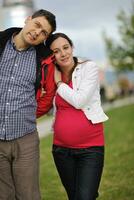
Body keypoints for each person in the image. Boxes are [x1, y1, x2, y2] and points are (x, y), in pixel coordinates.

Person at [0, 9, 56, 200]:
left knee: (28, 195)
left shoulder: (42, 59)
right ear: (28, 19)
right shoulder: (1, 44)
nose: (37, 33)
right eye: (37, 25)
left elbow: (48, 97)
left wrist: (28, 115)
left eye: (44, 33)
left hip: (25, 138)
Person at [45, 33, 109, 200]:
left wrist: (59, 83)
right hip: (61, 149)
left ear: (72, 47)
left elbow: (79, 101)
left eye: (65, 48)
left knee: (85, 197)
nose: (63, 53)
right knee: (74, 197)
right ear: (51, 56)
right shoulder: (51, 75)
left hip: (90, 148)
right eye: (56, 51)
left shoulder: (88, 68)